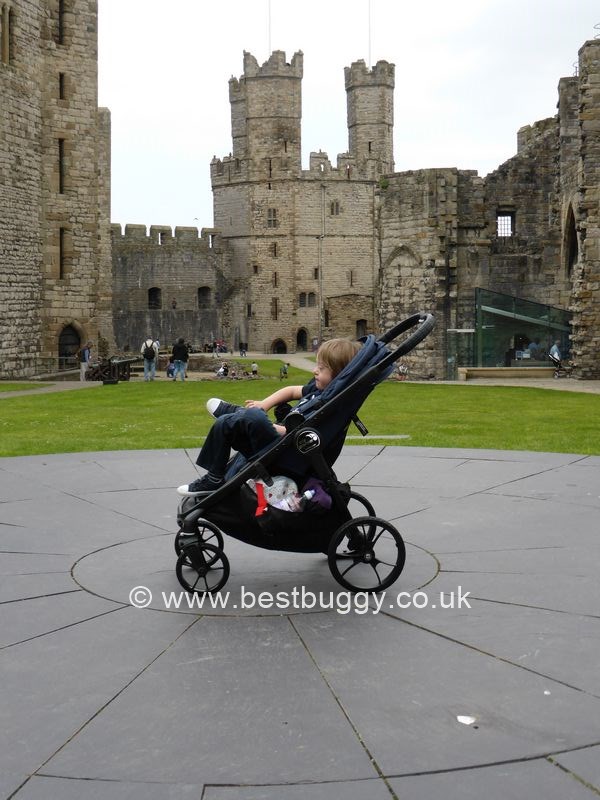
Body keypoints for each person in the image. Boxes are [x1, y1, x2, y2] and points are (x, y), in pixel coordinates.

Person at [177, 338, 361, 495]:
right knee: (240, 419)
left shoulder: (333, 408)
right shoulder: (321, 390)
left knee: (244, 420)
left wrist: (265, 423)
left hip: (288, 453)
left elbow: (301, 437)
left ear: (338, 375)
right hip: (282, 442)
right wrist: (264, 404)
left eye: (321, 368)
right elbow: (291, 390)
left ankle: (216, 472)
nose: (315, 371)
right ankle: (239, 421)